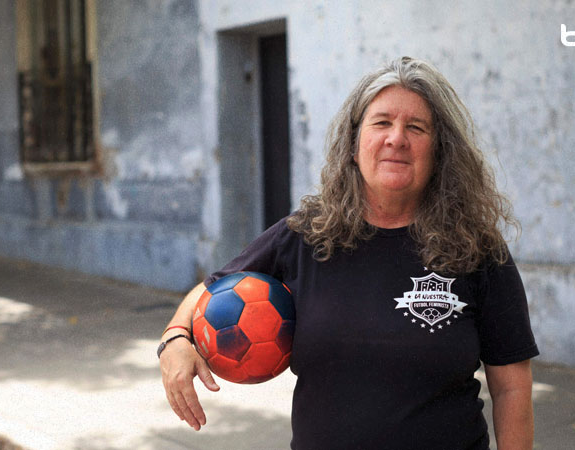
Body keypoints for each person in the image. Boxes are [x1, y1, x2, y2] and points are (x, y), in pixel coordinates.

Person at [159, 56, 539, 450]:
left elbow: (512, 388)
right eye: (381, 122)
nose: (396, 138)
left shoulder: (476, 248)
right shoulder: (307, 234)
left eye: (416, 127)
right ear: (354, 146)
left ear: (439, 153)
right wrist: (174, 338)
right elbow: (214, 288)